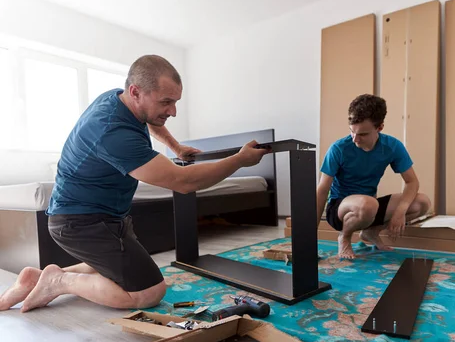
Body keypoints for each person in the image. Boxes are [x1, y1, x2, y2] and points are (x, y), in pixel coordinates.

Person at [0, 55, 269, 313]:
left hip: (105, 216)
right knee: (149, 292)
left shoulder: (119, 99)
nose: (173, 111)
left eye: (175, 102)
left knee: (114, 267)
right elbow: (183, 182)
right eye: (166, 102)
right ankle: (58, 282)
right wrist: (239, 160)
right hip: (81, 222)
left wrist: (174, 146)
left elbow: (149, 120)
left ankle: (35, 278)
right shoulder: (112, 130)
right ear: (136, 91)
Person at [316, 94, 431, 259]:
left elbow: (412, 182)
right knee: (368, 204)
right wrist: (309, 235)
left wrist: (400, 211)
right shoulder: (338, 148)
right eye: (351, 132)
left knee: (422, 202)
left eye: (362, 134)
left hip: (370, 208)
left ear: (380, 128)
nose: (355, 139)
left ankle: (371, 232)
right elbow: (322, 190)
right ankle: (344, 237)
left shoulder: (392, 146)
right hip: (340, 210)